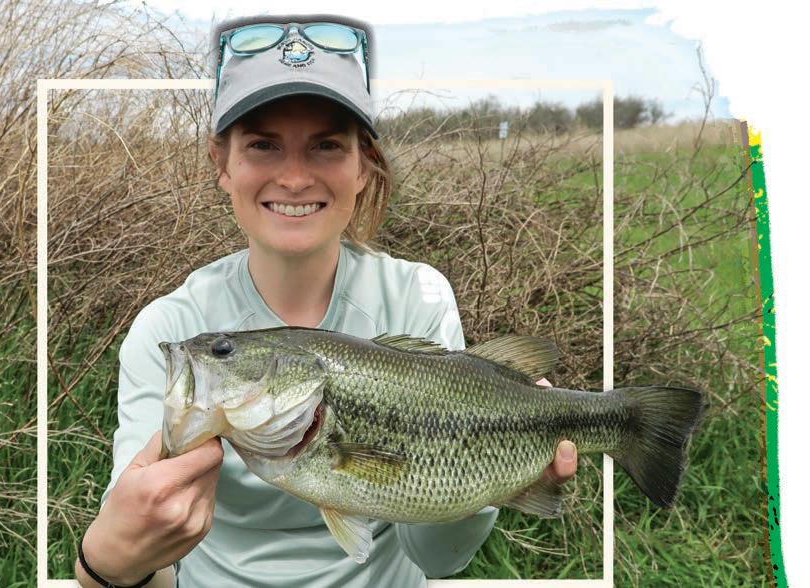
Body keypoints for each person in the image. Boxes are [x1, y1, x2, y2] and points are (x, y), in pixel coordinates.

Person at [74, 14, 578, 588]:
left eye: (327, 146)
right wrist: (109, 563)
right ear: (222, 163)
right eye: (263, 144)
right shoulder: (169, 328)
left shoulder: (419, 295)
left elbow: (438, 560)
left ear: (364, 165)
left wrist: (496, 478)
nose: (294, 178)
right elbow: (146, 562)